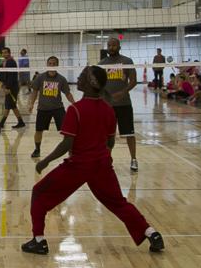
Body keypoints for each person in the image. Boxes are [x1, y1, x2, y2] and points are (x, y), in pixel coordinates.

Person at [21, 65, 164, 256]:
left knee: (38, 193)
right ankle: (151, 234)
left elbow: (66, 144)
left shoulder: (75, 110)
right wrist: (101, 158)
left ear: (90, 83)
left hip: (78, 166)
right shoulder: (108, 109)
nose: (78, 79)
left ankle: (38, 240)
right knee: (119, 203)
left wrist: (45, 161)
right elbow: (110, 141)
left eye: (81, 77)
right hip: (102, 166)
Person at [98, 38, 138, 172]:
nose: (111, 47)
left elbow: (133, 81)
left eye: (114, 45)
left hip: (124, 104)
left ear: (119, 47)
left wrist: (123, 92)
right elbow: (99, 84)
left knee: (129, 133)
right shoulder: (102, 64)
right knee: (107, 135)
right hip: (107, 105)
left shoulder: (127, 61)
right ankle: (106, 159)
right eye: (109, 45)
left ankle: (133, 159)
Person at [28, 56, 76, 159]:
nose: (52, 65)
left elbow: (67, 93)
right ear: (47, 64)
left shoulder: (61, 79)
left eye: (54, 64)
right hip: (43, 109)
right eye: (50, 63)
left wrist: (75, 104)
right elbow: (35, 91)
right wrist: (31, 104)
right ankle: (37, 150)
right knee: (38, 130)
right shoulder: (40, 77)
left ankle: (71, 150)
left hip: (58, 108)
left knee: (67, 131)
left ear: (57, 65)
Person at [0, 47, 25, 129]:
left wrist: (7, 87)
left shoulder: (11, 62)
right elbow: (1, 70)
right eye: (3, 52)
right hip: (10, 86)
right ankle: (17, 122)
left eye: (6, 52)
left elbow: (11, 77)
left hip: (12, 87)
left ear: (9, 53)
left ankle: (5, 122)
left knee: (10, 105)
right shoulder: (5, 61)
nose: (4, 54)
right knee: (10, 105)